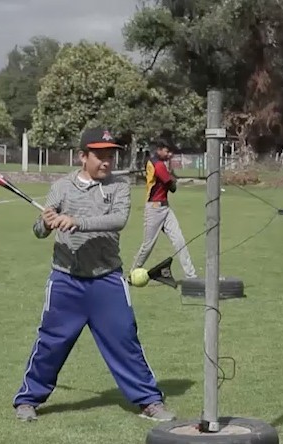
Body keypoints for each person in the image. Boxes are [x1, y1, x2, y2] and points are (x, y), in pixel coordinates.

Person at [12, 127, 175, 423]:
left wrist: (77, 221)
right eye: (99, 155)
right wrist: (46, 224)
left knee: (126, 340)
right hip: (65, 281)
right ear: (82, 156)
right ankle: (27, 400)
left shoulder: (119, 186)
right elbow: (38, 230)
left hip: (107, 280)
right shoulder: (61, 187)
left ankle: (150, 401)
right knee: (50, 343)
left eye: (110, 155)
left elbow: (117, 220)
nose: (107, 161)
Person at [131, 138, 198, 280]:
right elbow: (172, 187)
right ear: (159, 150)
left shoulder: (155, 162)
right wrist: (173, 178)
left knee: (179, 240)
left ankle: (191, 275)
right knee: (148, 245)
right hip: (154, 208)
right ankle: (132, 273)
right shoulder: (159, 165)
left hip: (165, 207)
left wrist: (171, 176)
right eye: (167, 151)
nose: (170, 154)